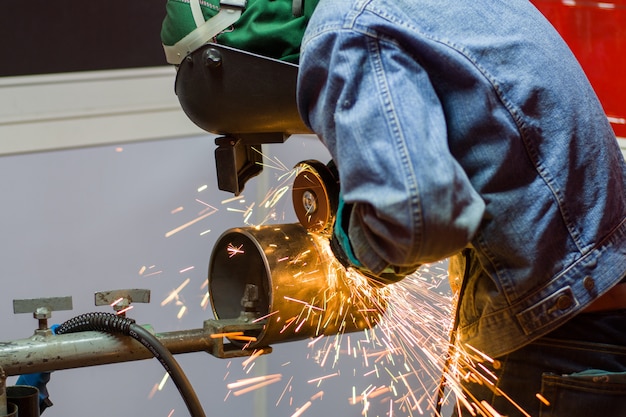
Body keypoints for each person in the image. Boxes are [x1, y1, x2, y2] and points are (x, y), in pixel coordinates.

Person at [162, 0, 626, 415]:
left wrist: (349, 248)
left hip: (557, 345)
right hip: (599, 321)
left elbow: (416, 221)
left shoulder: (345, 26)